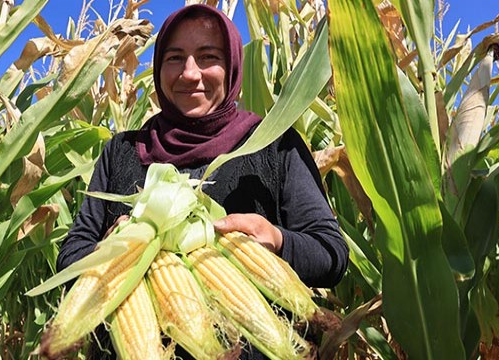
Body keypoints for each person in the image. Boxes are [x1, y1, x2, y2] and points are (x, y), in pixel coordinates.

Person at [57, 4, 348, 359]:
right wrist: (113, 249)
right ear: (159, 68)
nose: (189, 74)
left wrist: (276, 239)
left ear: (232, 67)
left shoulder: (274, 144)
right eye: (175, 58)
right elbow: (71, 255)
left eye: (208, 57)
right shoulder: (122, 151)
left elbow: (331, 255)